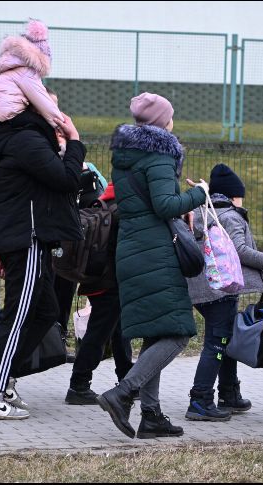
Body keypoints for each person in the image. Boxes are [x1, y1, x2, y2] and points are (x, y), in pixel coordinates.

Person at [96, 92, 207, 439]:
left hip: (132, 248)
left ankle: (152, 415)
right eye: (171, 116)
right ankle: (123, 391)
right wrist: (199, 193)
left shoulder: (127, 155)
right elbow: (164, 205)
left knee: (157, 330)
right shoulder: (158, 155)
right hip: (155, 252)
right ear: (162, 121)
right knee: (177, 333)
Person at [0, 92, 85, 420]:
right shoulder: (25, 139)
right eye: (49, 102)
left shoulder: (24, 138)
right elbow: (67, 179)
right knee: (19, 315)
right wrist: (75, 140)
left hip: (31, 236)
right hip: (28, 238)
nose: (56, 108)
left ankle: (5, 376)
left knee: (46, 312)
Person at [185, 163, 263, 421]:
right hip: (219, 290)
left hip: (202, 287)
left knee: (224, 338)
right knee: (217, 342)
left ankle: (229, 393)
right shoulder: (228, 215)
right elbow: (240, 250)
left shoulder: (201, 211)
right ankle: (200, 400)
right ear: (233, 195)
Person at [65, 180, 135, 405]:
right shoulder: (122, 212)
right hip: (110, 282)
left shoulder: (104, 203)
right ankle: (79, 384)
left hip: (101, 281)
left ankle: (126, 379)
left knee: (119, 330)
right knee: (99, 333)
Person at [0, 18, 65, 129]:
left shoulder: (7, 69)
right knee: (43, 124)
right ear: (40, 59)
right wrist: (61, 125)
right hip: (6, 114)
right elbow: (44, 102)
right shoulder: (27, 72)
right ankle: (58, 145)